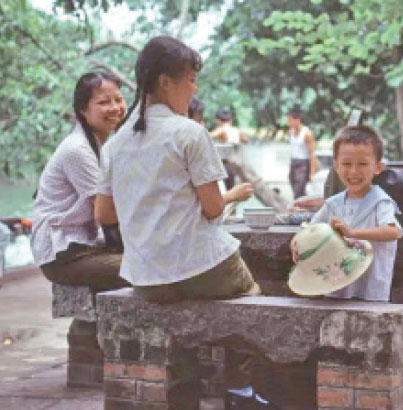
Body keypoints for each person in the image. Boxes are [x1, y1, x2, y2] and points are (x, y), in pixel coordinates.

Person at [93, 36, 272, 409]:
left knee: (176, 321)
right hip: (200, 266)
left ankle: (183, 394)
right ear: (165, 82)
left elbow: (104, 215)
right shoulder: (189, 132)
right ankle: (240, 391)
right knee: (253, 298)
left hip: (146, 277)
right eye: (190, 79)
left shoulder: (115, 143)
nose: (194, 89)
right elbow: (212, 209)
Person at [31, 71, 129, 292]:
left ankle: (86, 327)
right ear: (83, 110)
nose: (115, 108)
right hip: (64, 252)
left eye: (119, 99)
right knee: (147, 268)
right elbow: (106, 213)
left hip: (85, 243)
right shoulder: (78, 150)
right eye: (104, 102)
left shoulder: (102, 146)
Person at [292, 125, 402, 301]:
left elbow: (392, 231)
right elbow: (309, 228)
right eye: (347, 164)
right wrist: (297, 242)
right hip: (336, 284)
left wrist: (353, 233)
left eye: (363, 164)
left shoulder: (381, 201)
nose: (354, 171)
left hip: (370, 287)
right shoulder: (333, 204)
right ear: (336, 165)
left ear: (378, 167)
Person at [210, 107, 248, 190]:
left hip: (226, 165)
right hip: (238, 165)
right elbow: (246, 141)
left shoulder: (221, 130)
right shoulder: (237, 131)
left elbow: (207, 137)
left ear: (218, 121)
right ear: (231, 121)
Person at [286, 105, 318, 199]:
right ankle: (304, 208)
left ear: (297, 120)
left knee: (298, 191)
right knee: (295, 188)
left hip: (303, 164)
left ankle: (299, 209)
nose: (288, 123)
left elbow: (312, 154)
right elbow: (293, 150)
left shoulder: (307, 134)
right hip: (294, 162)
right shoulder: (290, 132)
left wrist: (312, 173)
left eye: (290, 121)